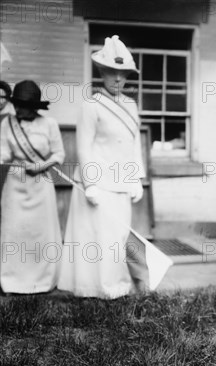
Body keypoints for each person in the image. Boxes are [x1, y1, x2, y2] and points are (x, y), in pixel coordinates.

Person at [58, 35, 146, 298]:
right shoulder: (91, 105)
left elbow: (133, 145)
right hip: (98, 182)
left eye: (123, 74)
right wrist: (91, 183)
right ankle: (92, 289)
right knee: (95, 238)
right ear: (102, 73)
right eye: (111, 73)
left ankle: (117, 286)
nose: (117, 79)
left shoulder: (131, 105)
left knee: (117, 239)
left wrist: (136, 178)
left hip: (121, 182)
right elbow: (84, 147)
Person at [0, 80, 65, 294]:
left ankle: (42, 281)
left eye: (24, 105)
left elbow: (59, 154)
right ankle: (12, 282)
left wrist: (40, 165)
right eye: (16, 104)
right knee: (14, 232)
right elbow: (3, 155)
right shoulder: (7, 124)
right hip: (15, 185)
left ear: (35, 106)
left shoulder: (49, 124)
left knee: (40, 234)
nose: (18, 109)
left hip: (40, 185)